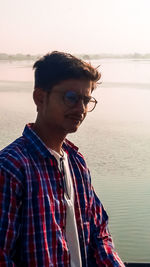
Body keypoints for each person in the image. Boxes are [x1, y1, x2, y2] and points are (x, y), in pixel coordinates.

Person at [0, 51, 125, 266]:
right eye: (71, 98)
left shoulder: (76, 162)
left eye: (86, 100)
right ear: (40, 97)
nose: (81, 109)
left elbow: (98, 233)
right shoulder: (12, 167)